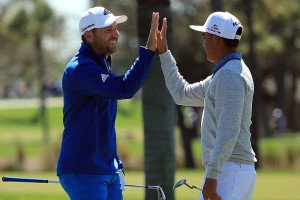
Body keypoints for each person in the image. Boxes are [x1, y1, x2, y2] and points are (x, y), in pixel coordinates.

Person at [57, 6, 159, 200]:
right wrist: (148, 51)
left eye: (115, 28)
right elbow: (125, 88)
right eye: (108, 30)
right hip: (84, 169)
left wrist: (115, 162)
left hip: (107, 167)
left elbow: (103, 121)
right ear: (88, 35)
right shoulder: (80, 69)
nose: (116, 34)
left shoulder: (101, 64)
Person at [157, 12, 257, 200]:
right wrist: (164, 53)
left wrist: (212, 175)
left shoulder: (230, 76)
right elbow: (182, 94)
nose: (203, 43)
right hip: (230, 169)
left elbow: (228, 130)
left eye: (205, 37)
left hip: (229, 169)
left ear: (216, 39)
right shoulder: (226, 73)